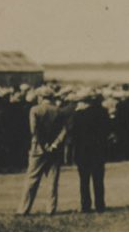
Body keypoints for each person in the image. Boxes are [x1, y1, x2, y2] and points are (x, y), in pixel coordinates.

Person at [17, 87, 68, 215]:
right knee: (52, 181)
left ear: (40, 97)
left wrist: (43, 143)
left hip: (38, 149)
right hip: (55, 150)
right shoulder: (60, 111)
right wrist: (55, 144)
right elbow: (64, 130)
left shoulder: (35, 110)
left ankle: (24, 209)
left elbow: (34, 130)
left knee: (32, 179)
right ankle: (51, 208)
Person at [69, 90, 111, 213]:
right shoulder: (102, 112)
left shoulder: (78, 115)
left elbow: (73, 134)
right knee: (98, 180)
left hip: (82, 151)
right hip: (98, 150)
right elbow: (107, 130)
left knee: (84, 181)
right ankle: (100, 205)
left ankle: (86, 206)